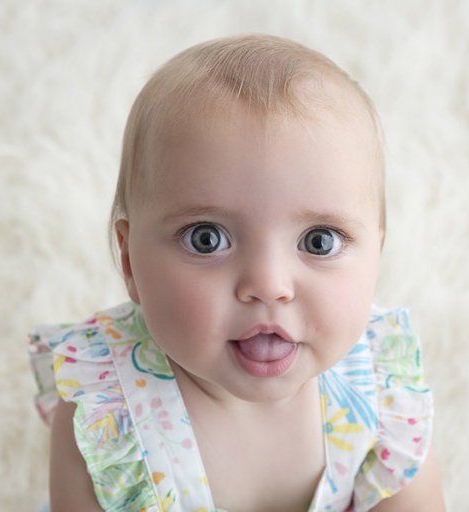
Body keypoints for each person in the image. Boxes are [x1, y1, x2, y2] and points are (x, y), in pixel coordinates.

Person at [28, 33, 446, 512]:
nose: (268, 284)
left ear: (377, 251)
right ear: (129, 261)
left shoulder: (382, 386)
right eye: (207, 238)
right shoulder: (107, 411)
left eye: (319, 241)